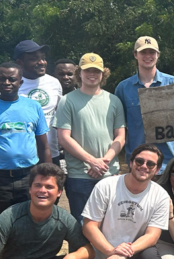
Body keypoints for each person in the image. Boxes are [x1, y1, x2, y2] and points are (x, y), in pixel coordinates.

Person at [81, 144, 170, 259]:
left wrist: (123, 253)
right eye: (139, 161)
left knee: (151, 258)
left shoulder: (160, 195)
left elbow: (152, 236)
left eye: (150, 164)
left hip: (135, 251)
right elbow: (89, 226)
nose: (144, 166)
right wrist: (111, 250)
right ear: (131, 162)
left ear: (158, 169)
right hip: (107, 253)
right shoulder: (106, 186)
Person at [0, 62, 50, 233]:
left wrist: (48, 179)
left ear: (20, 82)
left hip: (29, 178)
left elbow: (44, 147)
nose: (7, 83)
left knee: (32, 230)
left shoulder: (33, 107)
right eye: (2, 79)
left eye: (12, 79)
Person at [54, 53, 126, 222]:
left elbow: (121, 136)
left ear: (103, 73)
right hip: (79, 175)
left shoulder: (114, 100)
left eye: (96, 70)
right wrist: (92, 161)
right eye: (87, 70)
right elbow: (64, 138)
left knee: (111, 226)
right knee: (81, 227)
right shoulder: (67, 101)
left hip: (109, 174)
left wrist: (103, 162)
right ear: (80, 73)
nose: (92, 74)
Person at [0, 40, 64, 164]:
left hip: (50, 155)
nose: (42, 62)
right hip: (22, 161)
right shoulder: (7, 85)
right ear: (20, 63)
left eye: (43, 58)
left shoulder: (54, 83)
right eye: (34, 59)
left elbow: (60, 115)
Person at [114, 36, 174, 172]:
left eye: (151, 52)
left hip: (171, 161)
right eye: (143, 52)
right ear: (135, 55)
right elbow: (118, 126)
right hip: (139, 162)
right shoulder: (123, 88)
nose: (148, 56)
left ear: (158, 55)